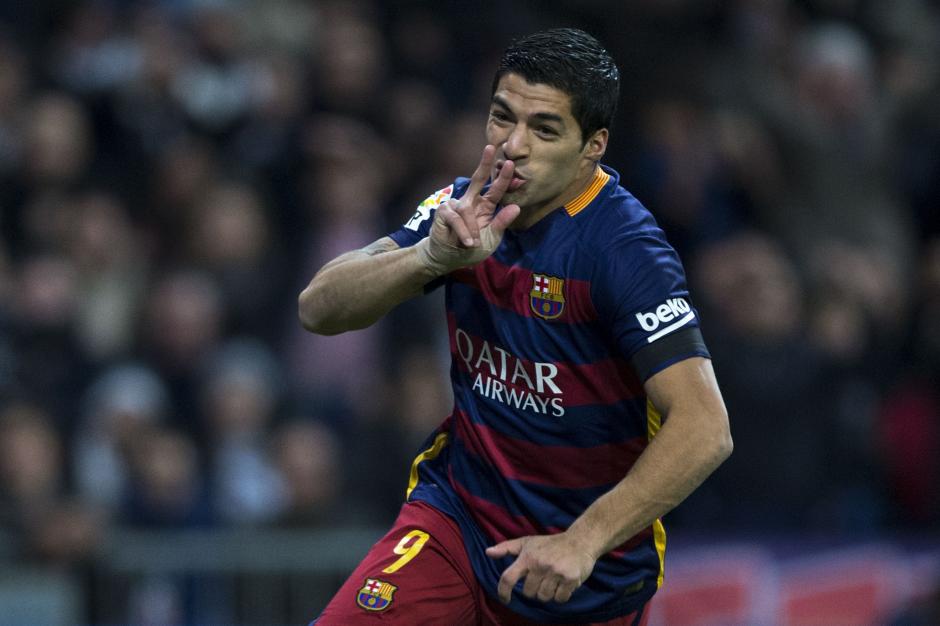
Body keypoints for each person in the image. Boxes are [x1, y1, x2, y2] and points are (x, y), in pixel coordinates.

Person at [299, 28, 732, 626]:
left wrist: (582, 540)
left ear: (593, 146)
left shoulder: (625, 250)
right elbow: (318, 308)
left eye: (544, 130)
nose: (513, 145)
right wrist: (430, 258)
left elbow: (706, 427)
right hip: (457, 524)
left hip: (583, 574)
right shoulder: (461, 208)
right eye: (503, 117)